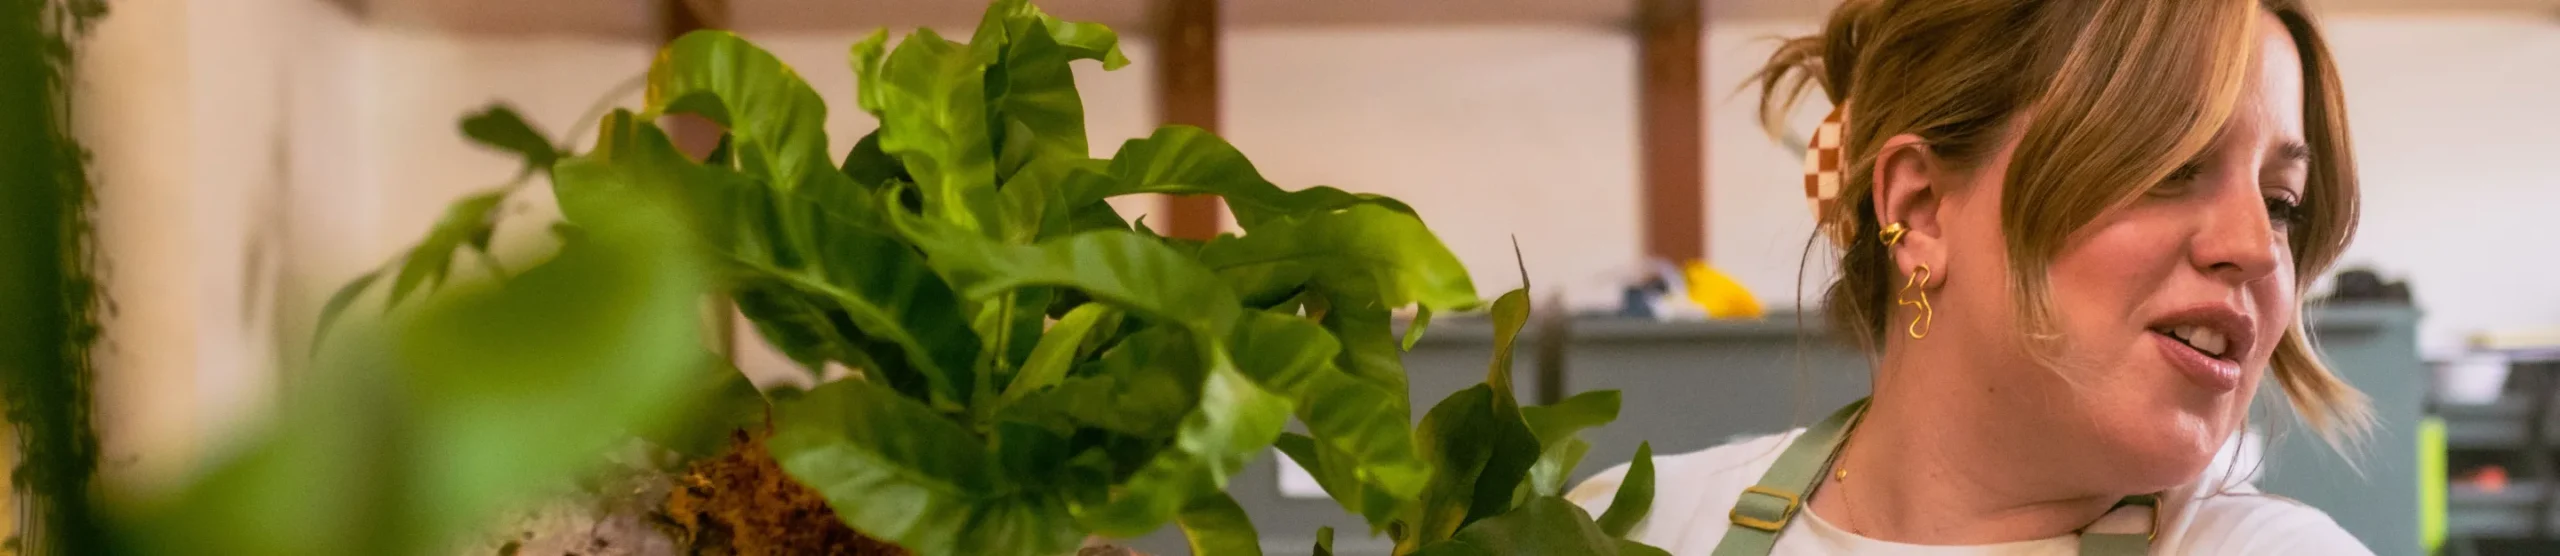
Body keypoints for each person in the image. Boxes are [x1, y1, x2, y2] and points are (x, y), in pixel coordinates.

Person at [1568, 0, 2376, 554]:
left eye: (2282, 203)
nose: (2258, 247)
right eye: (2170, 166)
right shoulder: (1623, 528)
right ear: (1920, 210)